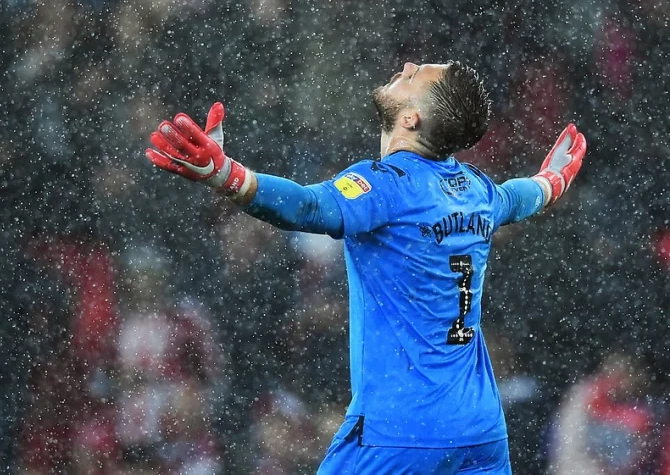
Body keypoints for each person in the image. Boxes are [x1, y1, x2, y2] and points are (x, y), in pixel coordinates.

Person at [145, 61, 587, 475]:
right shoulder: (475, 187)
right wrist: (553, 181)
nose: (408, 67)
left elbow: (310, 206)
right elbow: (518, 196)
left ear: (411, 119)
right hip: (479, 429)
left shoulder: (385, 184)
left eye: (417, 75)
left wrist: (225, 175)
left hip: (399, 430)